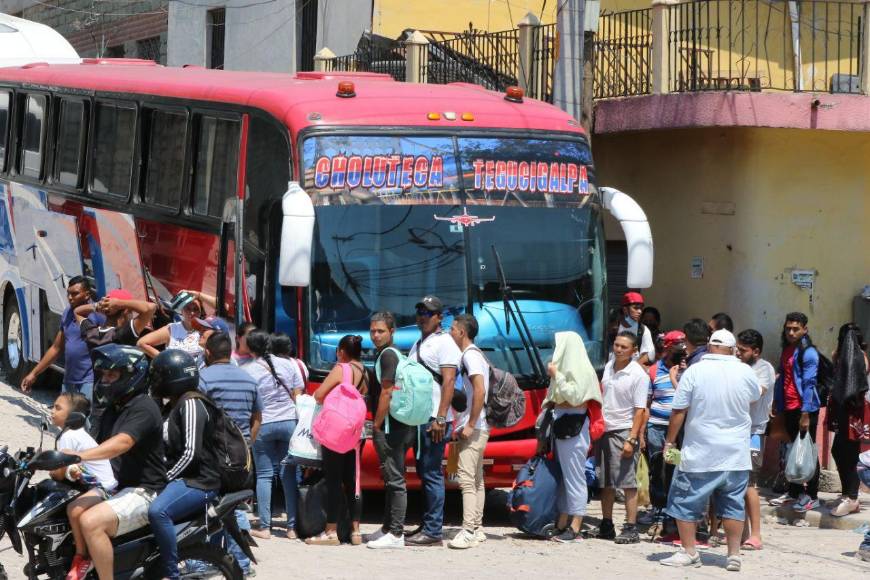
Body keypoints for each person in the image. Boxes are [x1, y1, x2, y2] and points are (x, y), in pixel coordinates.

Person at [661, 330, 761, 571]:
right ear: (732, 348)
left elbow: (679, 410)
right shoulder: (745, 371)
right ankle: (733, 555)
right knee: (733, 505)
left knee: (684, 502)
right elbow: (755, 397)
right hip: (736, 453)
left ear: (709, 346)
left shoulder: (694, 371)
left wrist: (670, 442)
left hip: (700, 453)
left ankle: (689, 552)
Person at [65, 344, 166, 580]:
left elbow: (122, 443)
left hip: (146, 490)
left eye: (112, 374)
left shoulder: (144, 407)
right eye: (103, 374)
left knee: (91, 522)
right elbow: (96, 445)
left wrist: (80, 456)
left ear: (132, 375)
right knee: (73, 508)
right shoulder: (114, 406)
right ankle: (82, 558)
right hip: (120, 485)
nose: (106, 380)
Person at [148, 350, 222, 580]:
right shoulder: (173, 404)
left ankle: (170, 573)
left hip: (200, 481)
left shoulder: (191, 403)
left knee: (158, 512)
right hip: (184, 478)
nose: (155, 382)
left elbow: (191, 453)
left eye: (159, 377)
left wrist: (164, 479)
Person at [199, 331, 261, 574]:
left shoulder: (203, 378)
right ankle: (242, 564)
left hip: (213, 456)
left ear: (208, 352)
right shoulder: (248, 379)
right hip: (242, 458)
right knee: (234, 507)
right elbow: (257, 418)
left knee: (209, 508)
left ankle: (210, 561)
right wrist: (246, 445)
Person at [406, 295, 461, 547]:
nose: (421, 317)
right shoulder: (419, 343)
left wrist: (440, 418)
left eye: (427, 313)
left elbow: (448, 381)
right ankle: (428, 523)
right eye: (419, 312)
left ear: (439, 317)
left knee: (431, 474)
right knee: (423, 472)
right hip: (420, 416)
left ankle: (434, 530)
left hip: (434, 420)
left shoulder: (446, 343)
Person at [240, 330, 304, 540]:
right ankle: (292, 528)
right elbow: (298, 396)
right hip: (289, 423)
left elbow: (249, 404)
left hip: (264, 424)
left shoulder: (247, 369)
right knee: (288, 476)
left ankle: (265, 527)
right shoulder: (289, 364)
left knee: (265, 476)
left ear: (249, 348)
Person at [542, 331, 603, 543]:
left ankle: (575, 526)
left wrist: (556, 375)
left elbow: (575, 397)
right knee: (564, 479)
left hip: (574, 427)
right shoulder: (566, 370)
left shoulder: (583, 371)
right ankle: (562, 523)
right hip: (561, 425)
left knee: (575, 478)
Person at [307, 335, 368, 546]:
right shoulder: (365, 372)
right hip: (355, 434)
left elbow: (319, 395)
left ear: (342, 351)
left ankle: (331, 531)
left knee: (334, 481)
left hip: (336, 434)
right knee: (353, 481)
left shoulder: (342, 369)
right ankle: (356, 531)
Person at [49, 393, 117, 580]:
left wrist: (53, 470)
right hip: (90, 485)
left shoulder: (70, 436)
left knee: (73, 509)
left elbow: (60, 472)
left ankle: (82, 556)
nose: (52, 411)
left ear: (73, 416)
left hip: (105, 487)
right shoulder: (68, 434)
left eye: (58, 408)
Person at [588, 331, 648, 544]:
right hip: (604, 429)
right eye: (616, 345)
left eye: (624, 347)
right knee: (605, 481)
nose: (619, 349)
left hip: (623, 431)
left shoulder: (638, 375)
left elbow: (640, 410)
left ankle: (631, 527)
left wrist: (632, 439)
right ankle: (606, 524)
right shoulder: (609, 366)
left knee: (627, 482)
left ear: (634, 351)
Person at [367, 311, 415, 550]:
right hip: (402, 425)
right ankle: (387, 529)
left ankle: (396, 534)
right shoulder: (395, 353)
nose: (375, 335)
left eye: (380, 331)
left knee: (395, 480)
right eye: (373, 330)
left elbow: (386, 392)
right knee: (390, 479)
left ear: (392, 332)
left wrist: (376, 424)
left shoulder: (387, 356)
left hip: (390, 427)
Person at [769, 312, 822, 512]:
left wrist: (806, 413)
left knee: (807, 450)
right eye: (788, 328)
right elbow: (783, 377)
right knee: (793, 450)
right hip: (788, 407)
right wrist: (777, 402)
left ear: (804, 330)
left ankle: (812, 495)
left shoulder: (808, 352)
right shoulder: (788, 349)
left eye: (795, 329)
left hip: (804, 409)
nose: (791, 332)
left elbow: (809, 384)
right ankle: (794, 493)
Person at [20, 276, 104, 400]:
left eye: (75, 294)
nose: (70, 298)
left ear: (87, 295)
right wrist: (33, 373)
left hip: (90, 381)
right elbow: (56, 348)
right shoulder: (67, 313)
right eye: (68, 293)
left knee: (86, 418)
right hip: (69, 381)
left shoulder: (98, 316)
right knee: (66, 418)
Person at [447, 314, 490, 549]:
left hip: (474, 427)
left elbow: (480, 391)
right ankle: (478, 527)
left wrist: (470, 424)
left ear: (462, 332)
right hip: (479, 426)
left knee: (465, 481)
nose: (450, 332)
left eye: (453, 328)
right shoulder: (476, 354)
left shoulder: (470, 356)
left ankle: (468, 531)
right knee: (476, 480)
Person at [735, 329, 776, 550]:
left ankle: (756, 535)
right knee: (736, 483)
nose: (738, 353)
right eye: (737, 349)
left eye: (743, 350)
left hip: (753, 432)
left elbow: (755, 394)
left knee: (750, 483)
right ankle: (741, 533)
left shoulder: (764, 369)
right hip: (735, 431)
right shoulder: (737, 366)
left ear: (756, 351)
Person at [641, 330, 685, 530]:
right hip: (656, 428)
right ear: (667, 347)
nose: (682, 350)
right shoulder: (653, 371)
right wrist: (642, 432)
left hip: (676, 431)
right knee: (657, 467)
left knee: (672, 468)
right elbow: (647, 404)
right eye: (678, 346)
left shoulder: (688, 370)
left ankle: (672, 512)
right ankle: (658, 510)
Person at [826, 323, 869, 517]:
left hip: (855, 411)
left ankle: (851, 497)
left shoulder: (859, 357)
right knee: (839, 450)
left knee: (849, 453)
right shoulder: (842, 356)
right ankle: (848, 495)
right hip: (844, 410)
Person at [137, 291, 206, 366]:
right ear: (182, 311)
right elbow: (141, 343)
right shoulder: (172, 329)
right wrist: (167, 360)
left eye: (196, 309)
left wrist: (198, 294)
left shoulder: (206, 330)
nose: (192, 313)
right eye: (188, 309)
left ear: (200, 312)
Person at [76, 289, 156, 349]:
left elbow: (77, 311)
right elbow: (151, 307)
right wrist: (119, 303)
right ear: (125, 312)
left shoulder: (92, 334)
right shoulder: (123, 335)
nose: (132, 315)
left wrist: (97, 306)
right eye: (131, 311)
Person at [618, 292, 655, 366]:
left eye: (641, 308)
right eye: (635, 308)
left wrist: (633, 369)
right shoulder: (614, 327)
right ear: (625, 310)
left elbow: (649, 355)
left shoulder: (643, 329)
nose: (640, 311)